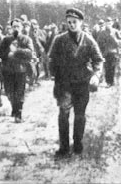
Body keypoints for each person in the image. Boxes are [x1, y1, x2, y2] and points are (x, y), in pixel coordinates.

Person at [49, 8, 103, 157]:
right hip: (64, 84)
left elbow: (98, 60)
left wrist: (96, 75)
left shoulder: (88, 40)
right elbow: (51, 59)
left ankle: (78, 143)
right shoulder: (59, 40)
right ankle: (64, 147)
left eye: (75, 22)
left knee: (80, 115)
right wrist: (54, 74)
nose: (72, 25)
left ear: (81, 22)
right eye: (69, 22)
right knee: (63, 114)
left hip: (82, 83)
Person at [0, 18, 35, 123]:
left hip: (21, 70)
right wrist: (7, 54)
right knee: (9, 92)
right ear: (10, 28)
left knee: (19, 92)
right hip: (7, 70)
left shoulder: (26, 39)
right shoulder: (6, 40)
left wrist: (16, 52)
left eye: (18, 27)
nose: (16, 29)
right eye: (14, 27)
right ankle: (14, 107)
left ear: (22, 28)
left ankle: (18, 113)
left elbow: (30, 53)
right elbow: (0, 53)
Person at [96, 17, 121, 87]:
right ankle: (108, 82)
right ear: (105, 23)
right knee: (107, 67)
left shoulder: (115, 31)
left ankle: (112, 81)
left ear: (112, 23)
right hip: (106, 52)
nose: (109, 24)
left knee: (113, 67)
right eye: (107, 23)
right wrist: (103, 46)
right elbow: (98, 42)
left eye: (110, 23)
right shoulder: (102, 32)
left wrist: (116, 41)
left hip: (114, 52)